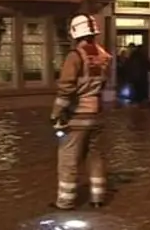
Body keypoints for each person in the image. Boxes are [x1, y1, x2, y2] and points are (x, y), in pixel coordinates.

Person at [50, 13, 112, 210]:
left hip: (77, 115)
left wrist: (56, 113)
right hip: (97, 115)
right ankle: (98, 198)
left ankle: (65, 201)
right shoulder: (104, 56)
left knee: (68, 158)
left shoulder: (74, 56)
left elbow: (66, 88)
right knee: (95, 156)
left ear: (75, 33)